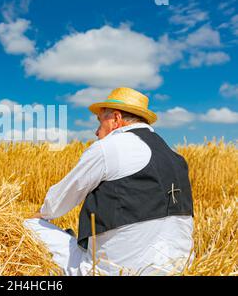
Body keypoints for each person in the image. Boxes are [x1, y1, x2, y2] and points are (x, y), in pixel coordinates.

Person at [24, 87, 194, 276]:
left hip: (116, 270)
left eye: (99, 121)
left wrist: (39, 214)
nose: (96, 131)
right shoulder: (177, 158)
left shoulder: (109, 147)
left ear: (115, 118)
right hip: (177, 268)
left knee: (27, 226)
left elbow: (56, 203)